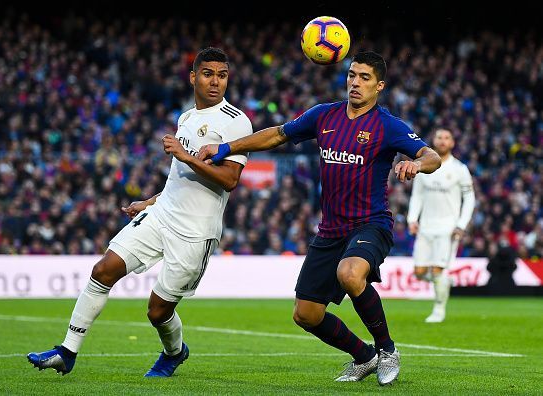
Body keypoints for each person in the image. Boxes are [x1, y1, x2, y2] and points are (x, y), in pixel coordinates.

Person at [198, 51, 441, 386]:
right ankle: (365, 356)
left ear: (379, 86)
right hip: (330, 230)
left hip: (371, 223)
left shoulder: (388, 126)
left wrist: (416, 164)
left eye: (365, 78)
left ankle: (387, 350)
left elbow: (433, 156)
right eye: (352, 75)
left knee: (350, 273)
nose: (355, 82)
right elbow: (278, 134)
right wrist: (225, 148)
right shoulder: (324, 115)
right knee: (306, 315)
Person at [27, 47, 253, 377]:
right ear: (193, 77)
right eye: (208, 73)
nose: (215, 81)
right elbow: (179, 178)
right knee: (103, 269)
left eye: (222, 75)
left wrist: (187, 156)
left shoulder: (236, 122)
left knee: (157, 311)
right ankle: (67, 350)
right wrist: (150, 201)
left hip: (195, 231)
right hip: (163, 213)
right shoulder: (186, 118)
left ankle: (174, 352)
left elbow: (230, 180)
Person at [407, 128, 475, 322]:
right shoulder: (424, 166)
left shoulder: (460, 169)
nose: (443, 141)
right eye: (439, 137)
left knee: (437, 269)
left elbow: (469, 199)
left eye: (447, 138)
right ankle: (444, 282)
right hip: (426, 226)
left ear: (452, 143)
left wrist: (461, 225)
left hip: (448, 228)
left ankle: (439, 309)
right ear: (434, 141)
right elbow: (417, 195)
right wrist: (413, 219)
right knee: (419, 272)